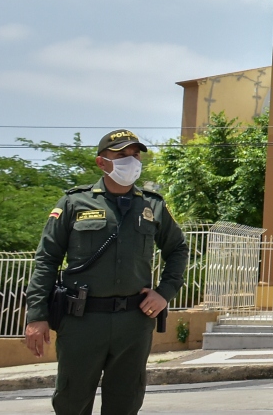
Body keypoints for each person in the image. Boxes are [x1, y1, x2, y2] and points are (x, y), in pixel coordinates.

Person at [25, 129, 189, 415]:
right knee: (71, 401)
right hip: (81, 322)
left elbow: (178, 250)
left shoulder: (153, 205)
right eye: (122, 154)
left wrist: (165, 293)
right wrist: (37, 315)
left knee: (125, 402)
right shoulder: (75, 203)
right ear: (102, 163)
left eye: (135, 154)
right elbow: (47, 259)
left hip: (133, 322)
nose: (131, 160)